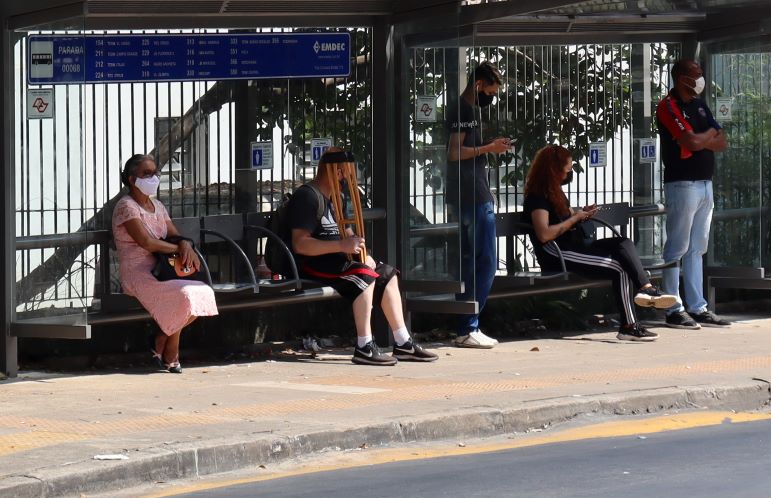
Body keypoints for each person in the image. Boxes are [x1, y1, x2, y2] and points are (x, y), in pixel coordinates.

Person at [289, 148, 437, 365]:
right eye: (345, 173)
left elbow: (343, 232)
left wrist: (360, 252)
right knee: (364, 277)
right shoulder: (307, 196)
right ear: (337, 172)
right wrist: (341, 245)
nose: (348, 179)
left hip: (339, 261)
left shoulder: (333, 198)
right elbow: (300, 244)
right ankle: (364, 346)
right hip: (315, 263)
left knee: (386, 273)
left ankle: (403, 342)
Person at [522, 146, 680, 342]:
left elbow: (566, 218)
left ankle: (646, 288)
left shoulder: (557, 193)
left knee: (622, 242)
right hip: (557, 253)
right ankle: (629, 326)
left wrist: (581, 214)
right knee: (619, 268)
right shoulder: (538, 197)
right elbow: (544, 234)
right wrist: (575, 218)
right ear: (554, 169)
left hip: (574, 245)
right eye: (567, 168)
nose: (569, 172)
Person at [112, 154, 218, 373]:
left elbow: (174, 235)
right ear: (132, 180)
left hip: (164, 270)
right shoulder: (126, 206)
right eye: (146, 174)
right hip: (139, 271)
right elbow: (146, 242)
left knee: (203, 292)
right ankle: (172, 349)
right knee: (185, 295)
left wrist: (185, 245)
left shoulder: (158, 206)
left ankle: (162, 338)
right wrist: (180, 248)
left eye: (155, 173)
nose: (153, 178)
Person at [655, 58, 730, 329]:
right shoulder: (668, 106)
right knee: (677, 246)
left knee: (697, 248)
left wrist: (704, 139)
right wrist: (706, 136)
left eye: (701, 73)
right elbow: (690, 141)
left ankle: (698, 307)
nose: (701, 78)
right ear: (681, 78)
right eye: (696, 74)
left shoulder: (699, 104)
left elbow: (722, 142)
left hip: (704, 183)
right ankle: (673, 307)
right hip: (682, 183)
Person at [446, 61, 512, 348]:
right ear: (478, 85)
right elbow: (454, 152)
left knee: (472, 261)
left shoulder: (463, 109)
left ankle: (467, 325)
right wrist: (489, 148)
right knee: (485, 263)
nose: (492, 97)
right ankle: (468, 325)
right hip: (473, 196)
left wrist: (489, 147)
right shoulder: (465, 110)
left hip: (469, 194)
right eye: (491, 91)